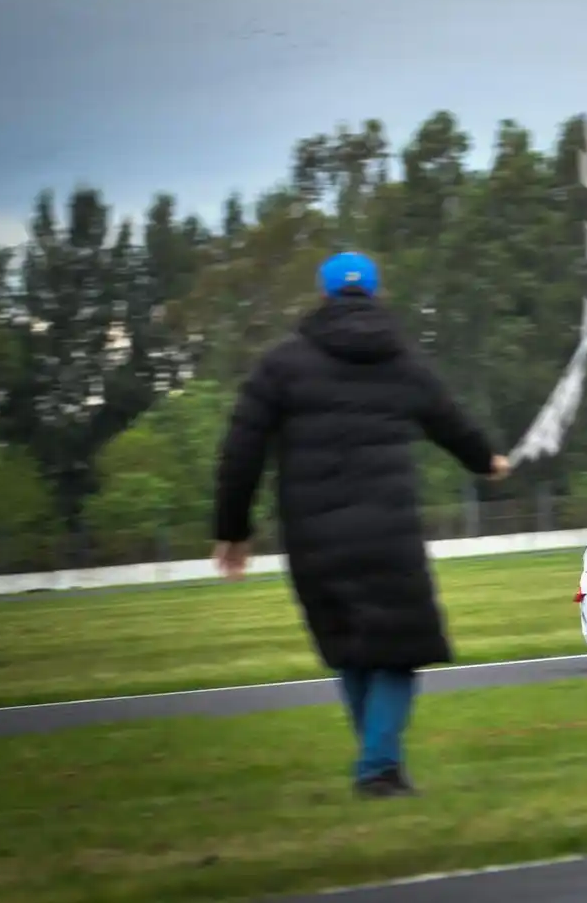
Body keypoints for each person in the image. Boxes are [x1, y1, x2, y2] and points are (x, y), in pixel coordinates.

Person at [212, 250, 510, 798]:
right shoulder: (401, 362)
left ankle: (379, 765)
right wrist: (486, 460)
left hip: (312, 536)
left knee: (349, 646)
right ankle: (377, 768)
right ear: (376, 292)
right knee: (400, 647)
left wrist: (233, 529)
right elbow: (450, 420)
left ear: (323, 294)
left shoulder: (280, 365)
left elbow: (241, 450)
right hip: (388, 534)